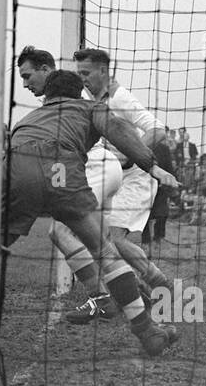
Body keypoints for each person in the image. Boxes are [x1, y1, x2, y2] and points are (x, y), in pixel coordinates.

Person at [0, 70, 179, 356]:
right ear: (78, 93)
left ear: (47, 96)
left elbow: (2, 164)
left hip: (20, 172)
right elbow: (120, 131)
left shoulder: (27, 120)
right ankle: (146, 331)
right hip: (63, 173)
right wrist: (153, 166)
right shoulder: (90, 107)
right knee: (104, 250)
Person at [14, 46, 176, 324]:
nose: (83, 78)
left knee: (70, 231)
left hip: (130, 173)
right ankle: (152, 289)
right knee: (106, 241)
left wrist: (128, 157)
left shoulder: (118, 97)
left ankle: (106, 298)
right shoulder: (81, 96)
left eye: (86, 72)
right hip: (109, 169)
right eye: (79, 73)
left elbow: (158, 129)